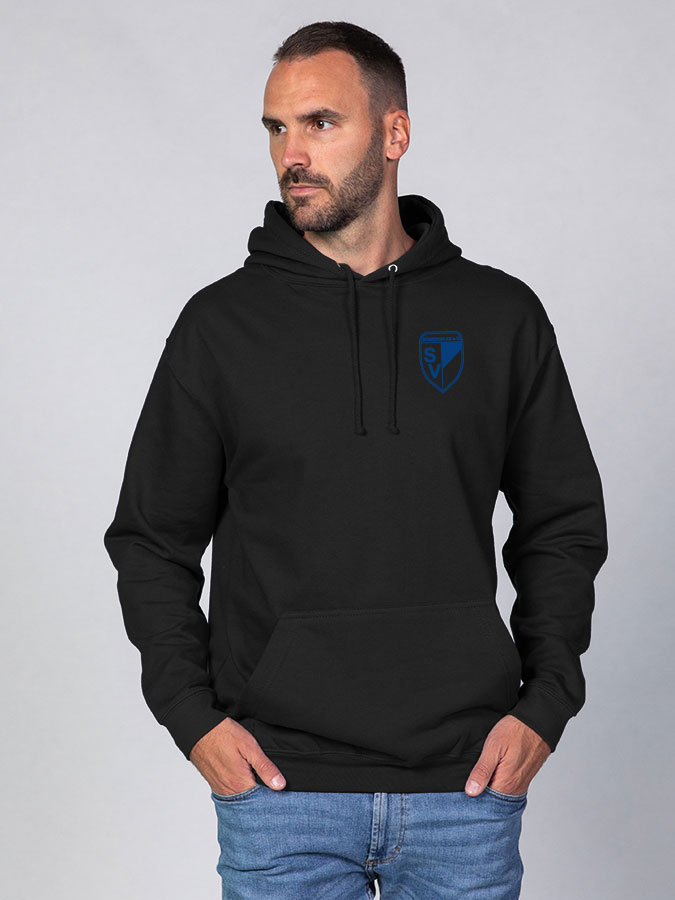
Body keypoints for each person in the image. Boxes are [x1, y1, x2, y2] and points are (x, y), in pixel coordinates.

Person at [103, 20, 609, 900]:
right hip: (280, 792)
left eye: (320, 123)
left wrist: (545, 704)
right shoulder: (220, 328)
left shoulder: (499, 317)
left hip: (464, 788)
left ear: (393, 132)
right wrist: (192, 720)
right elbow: (151, 539)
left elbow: (561, 525)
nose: (290, 155)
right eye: (276, 128)